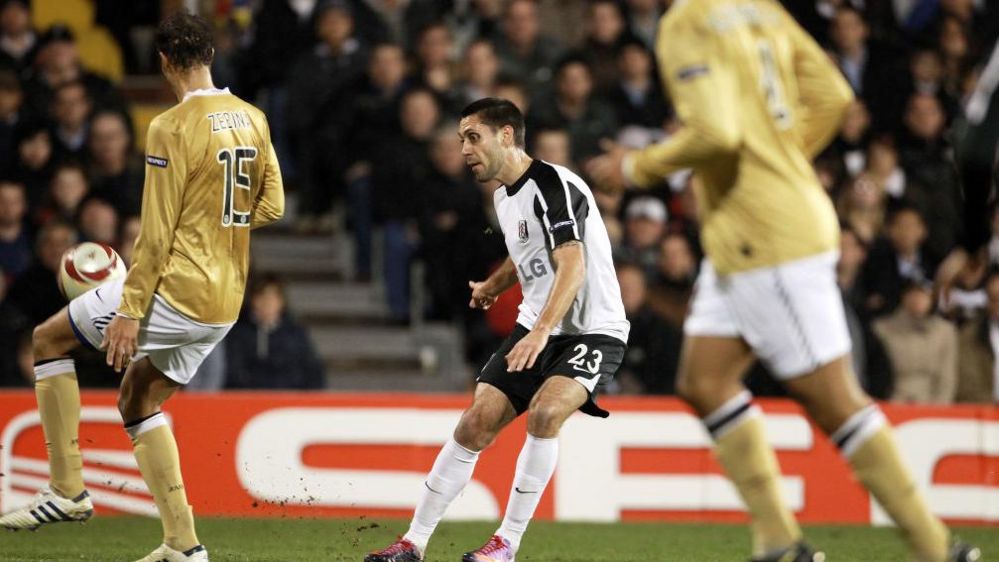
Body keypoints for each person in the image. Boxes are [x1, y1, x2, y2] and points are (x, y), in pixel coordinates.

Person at [586, 1, 979, 561]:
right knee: (705, 381)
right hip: (750, 234)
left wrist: (634, 167)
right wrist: (781, 156)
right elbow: (834, 96)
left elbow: (716, 133)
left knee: (835, 401)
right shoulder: (761, 10)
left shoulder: (687, 22)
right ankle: (777, 541)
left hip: (767, 239)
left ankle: (936, 548)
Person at [0, 13, 285, 562]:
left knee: (47, 340)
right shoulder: (253, 117)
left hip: (175, 291)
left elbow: (155, 234)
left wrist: (131, 311)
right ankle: (183, 545)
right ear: (209, 56)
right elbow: (273, 205)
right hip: (225, 302)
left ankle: (67, 489)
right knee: (138, 395)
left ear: (163, 63)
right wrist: (215, 223)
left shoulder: (169, 126)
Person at [365, 98, 628, 562]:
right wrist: (494, 284)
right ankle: (413, 542)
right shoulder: (504, 196)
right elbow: (528, 251)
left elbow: (573, 265)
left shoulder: (553, 184)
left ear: (506, 135)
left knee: (546, 415)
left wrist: (542, 331)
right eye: (461, 138)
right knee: (473, 423)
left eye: (473, 137)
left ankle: (506, 543)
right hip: (537, 324)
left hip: (591, 330)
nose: (464, 148)